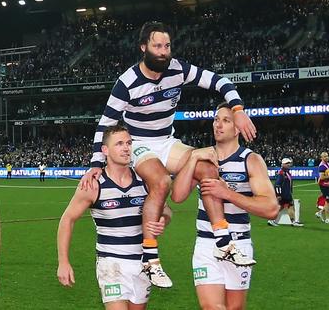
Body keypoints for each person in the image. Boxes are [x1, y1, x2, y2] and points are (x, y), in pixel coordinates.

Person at [81, 21, 257, 286]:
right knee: (161, 181)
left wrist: (238, 110)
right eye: (157, 46)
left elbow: (221, 82)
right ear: (144, 47)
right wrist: (96, 161)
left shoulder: (178, 69)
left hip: (167, 141)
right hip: (139, 141)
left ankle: (223, 240)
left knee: (208, 166)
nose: (164, 51)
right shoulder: (126, 82)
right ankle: (150, 258)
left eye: (167, 46)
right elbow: (106, 123)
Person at [171, 103, 279, 310]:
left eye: (226, 121)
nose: (218, 125)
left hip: (238, 244)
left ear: (237, 127)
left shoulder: (251, 160)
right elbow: (177, 196)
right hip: (206, 243)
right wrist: (193, 158)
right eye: (216, 119)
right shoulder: (202, 157)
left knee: (234, 308)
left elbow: (271, 208)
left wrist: (227, 193)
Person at [58, 125, 171, 308]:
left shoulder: (144, 181)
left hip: (143, 263)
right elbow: (67, 220)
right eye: (119, 144)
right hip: (111, 263)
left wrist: (164, 219)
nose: (126, 148)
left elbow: (166, 210)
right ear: (105, 150)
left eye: (128, 143)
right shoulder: (94, 185)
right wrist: (63, 262)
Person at [268, 158, 302, 227]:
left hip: (285, 193)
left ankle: (271, 220)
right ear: (283, 164)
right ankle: (293, 222)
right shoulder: (282, 173)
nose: (289, 164)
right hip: (284, 194)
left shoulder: (286, 172)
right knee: (290, 206)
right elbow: (277, 185)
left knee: (281, 207)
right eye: (287, 163)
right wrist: (279, 194)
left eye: (289, 163)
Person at [315, 152, 329, 224]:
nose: (326, 157)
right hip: (325, 185)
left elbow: (328, 173)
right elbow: (321, 177)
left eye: (327, 156)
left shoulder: (327, 164)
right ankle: (327, 219)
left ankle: (320, 212)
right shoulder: (322, 166)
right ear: (321, 158)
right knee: (328, 201)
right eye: (324, 156)